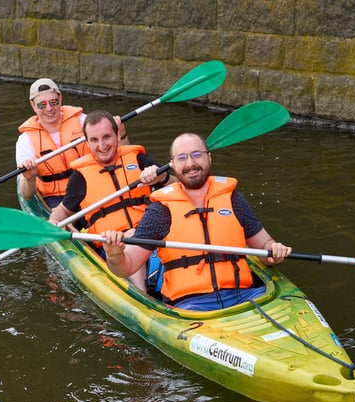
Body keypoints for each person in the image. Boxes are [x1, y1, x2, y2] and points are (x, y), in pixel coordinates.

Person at [103, 132, 292, 311]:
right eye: (182, 158)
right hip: (192, 305)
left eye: (196, 154)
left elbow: (265, 247)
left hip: (245, 295)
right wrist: (113, 255)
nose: (191, 163)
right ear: (173, 165)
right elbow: (126, 267)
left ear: (209, 158)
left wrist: (275, 251)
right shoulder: (161, 210)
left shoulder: (233, 199)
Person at [48, 110, 173, 289]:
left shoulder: (138, 160)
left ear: (117, 134)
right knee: (129, 240)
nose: (102, 145)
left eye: (107, 137)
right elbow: (64, 210)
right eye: (94, 140)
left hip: (150, 232)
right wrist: (53, 221)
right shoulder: (80, 177)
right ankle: (142, 296)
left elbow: (180, 189)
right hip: (113, 243)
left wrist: (162, 178)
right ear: (87, 143)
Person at [16, 78, 94, 208]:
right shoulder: (25, 141)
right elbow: (27, 195)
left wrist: (119, 133)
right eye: (42, 105)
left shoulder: (83, 122)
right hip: (56, 197)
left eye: (53, 102)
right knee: (67, 215)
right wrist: (29, 178)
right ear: (33, 105)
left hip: (90, 184)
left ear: (60, 99)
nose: (49, 109)